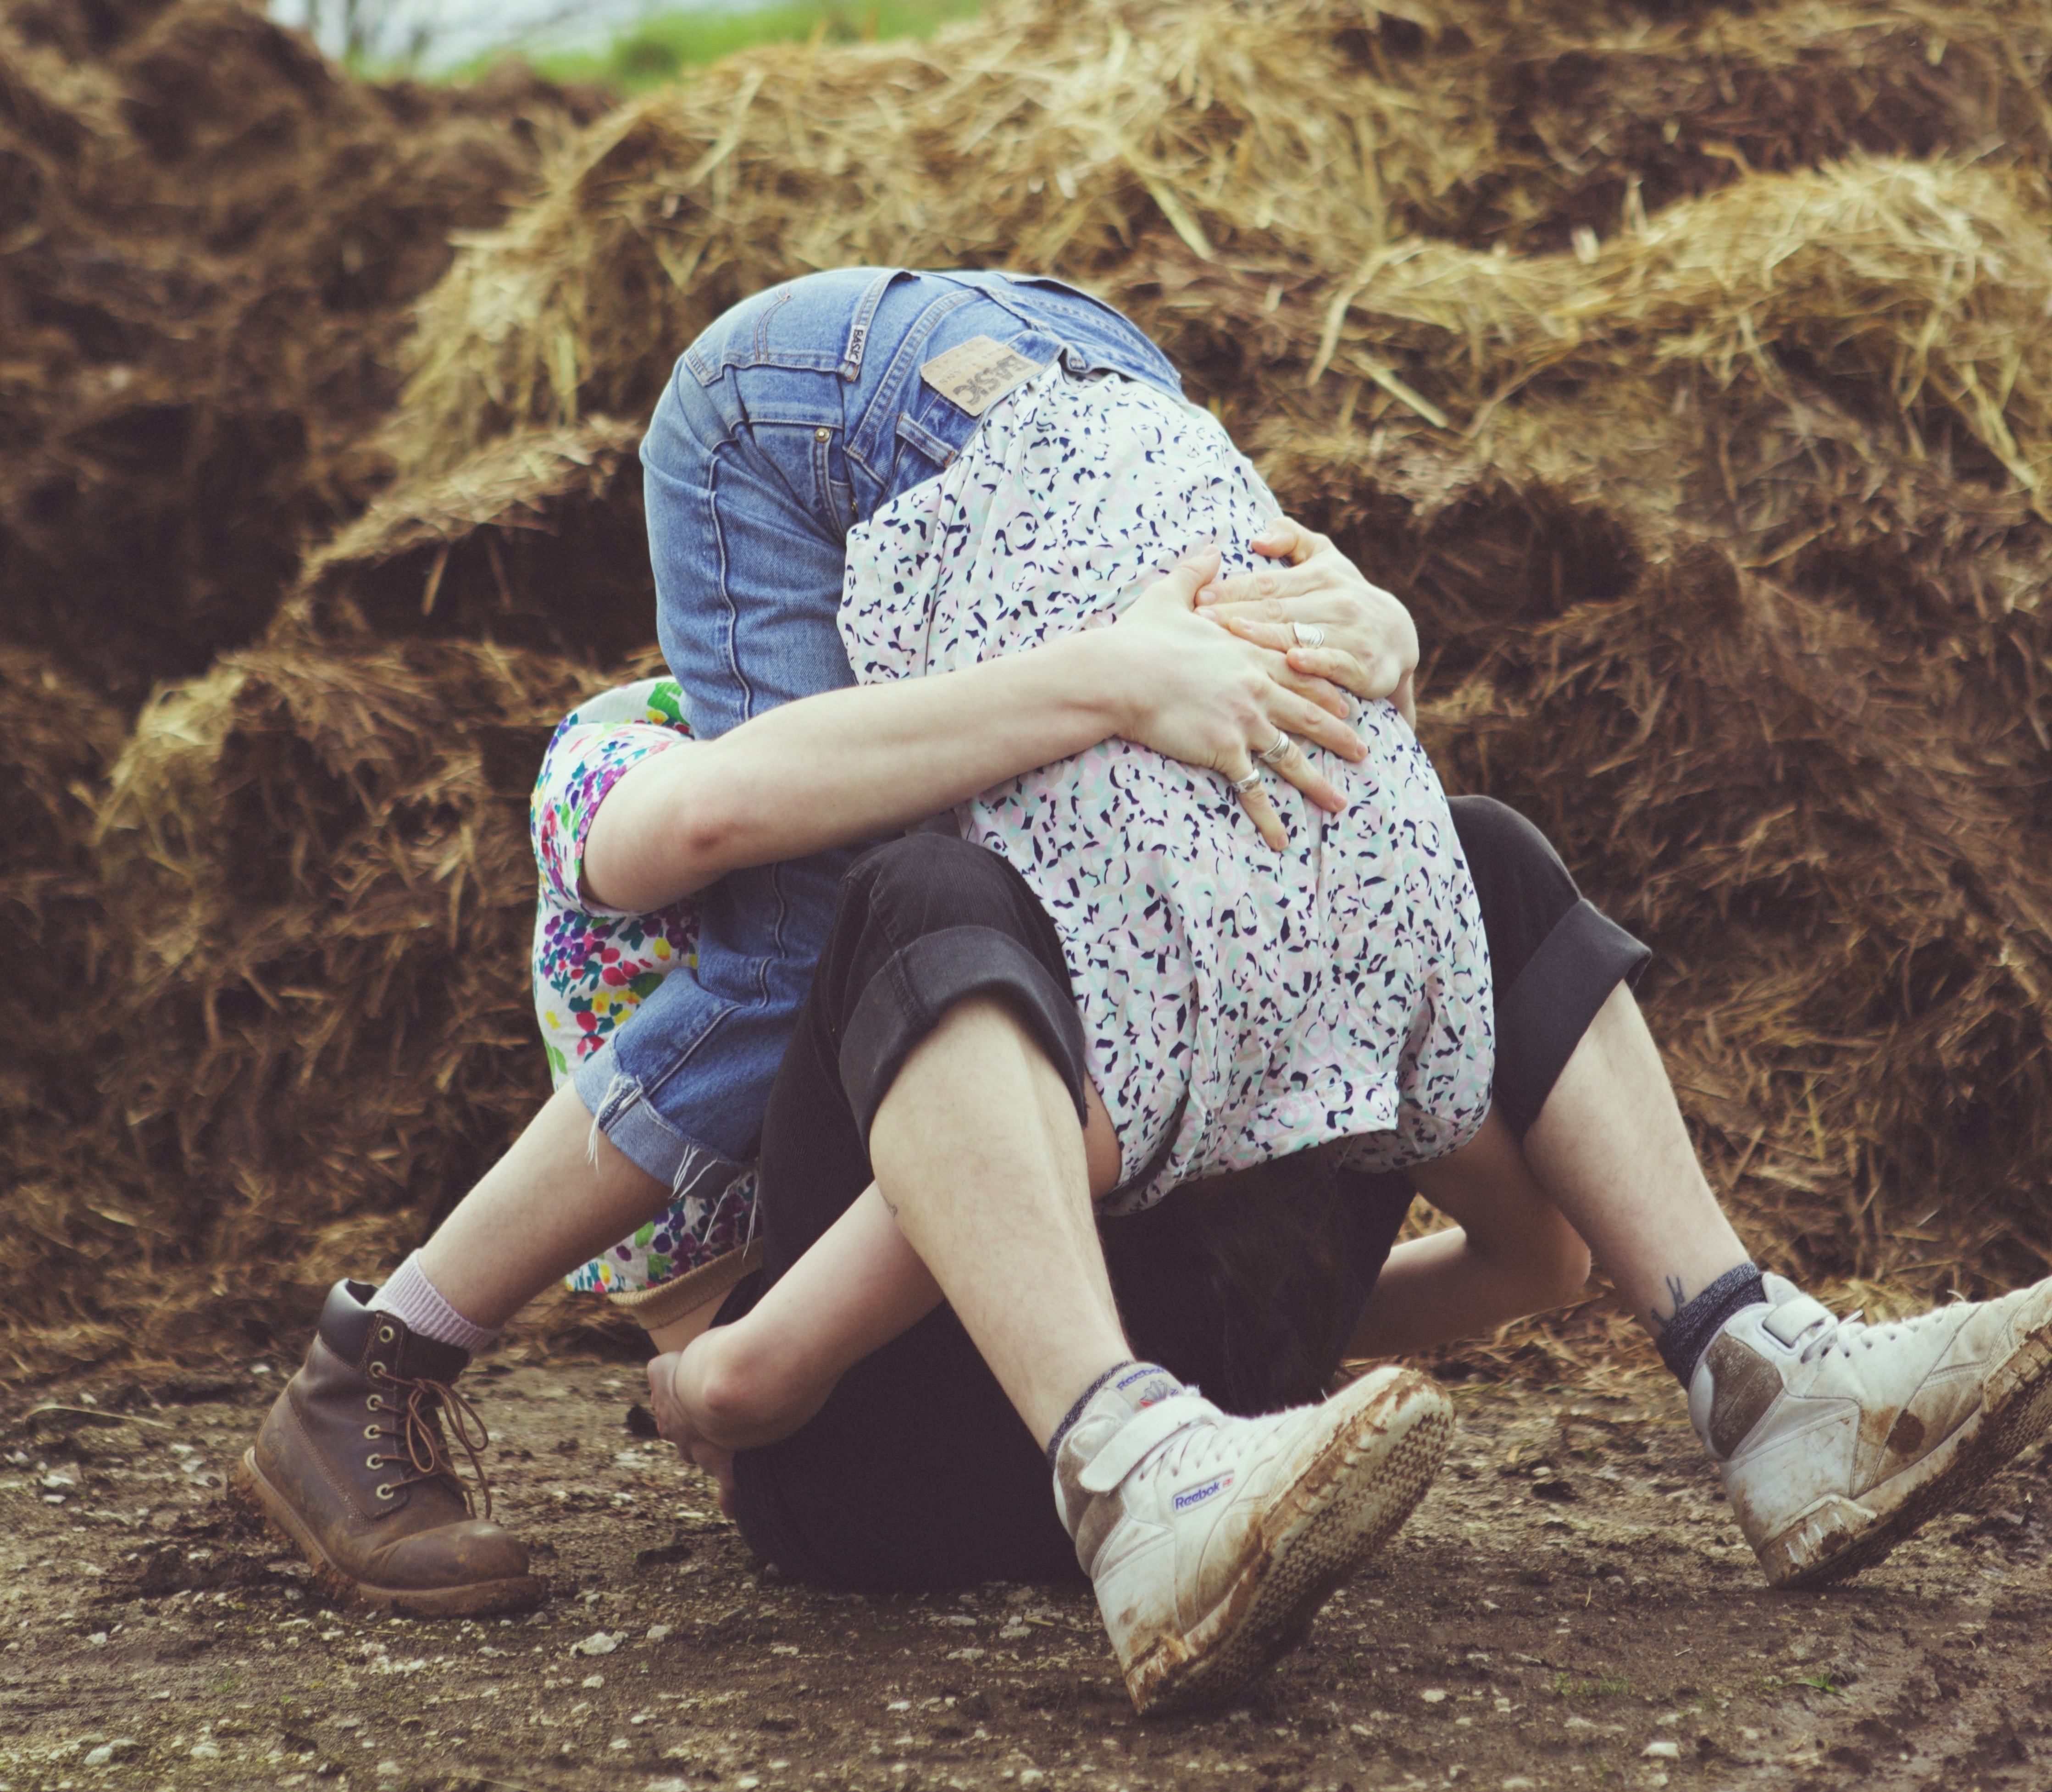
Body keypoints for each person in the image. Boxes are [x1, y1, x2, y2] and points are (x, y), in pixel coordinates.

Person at [236, 269, 2052, 1701]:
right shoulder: (654, 773)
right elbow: (684, 879)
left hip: (1180, 1374)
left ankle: (1755, 1362)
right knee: (909, 903)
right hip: (886, 1448)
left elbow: (1527, 1258)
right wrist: (1112, 694)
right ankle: (388, 1354)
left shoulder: (1072, 825)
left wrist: (1361, 646)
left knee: (1463, 843)